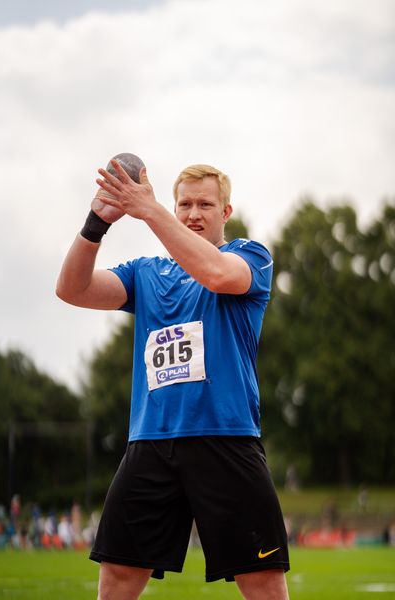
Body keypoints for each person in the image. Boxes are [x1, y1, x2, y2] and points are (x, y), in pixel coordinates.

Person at [56, 159, 290, 600]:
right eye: (185, 204)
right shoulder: (147, 273)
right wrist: (96, 223)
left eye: (206, 204)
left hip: (226, 439)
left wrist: (148, 210)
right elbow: (72, 289)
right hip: (150, 443)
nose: (193, 213)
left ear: (226, 212)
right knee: (117, 580)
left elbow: (218, 275)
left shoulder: (250, 257)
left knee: (263, 585)